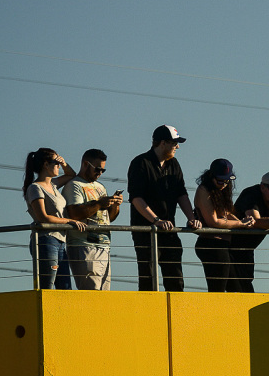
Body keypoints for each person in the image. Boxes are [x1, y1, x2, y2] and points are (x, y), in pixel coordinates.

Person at [128, 125, 202, 292]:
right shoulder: (140, 163)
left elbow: (181, 194)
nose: (177, 147)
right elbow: (136, 198)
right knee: (149, 279)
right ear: (162, 143)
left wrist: (191, 218)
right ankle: (149, 315)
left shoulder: (174, 163)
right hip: (145, 232)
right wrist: (156, 221)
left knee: (176, 279)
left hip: (170, 231)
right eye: (174, 143)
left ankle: (176, 315)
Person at [62, 149, 123, 290]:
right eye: (97, 169)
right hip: (83, 245)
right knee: (91, 292)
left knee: (103, 293)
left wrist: (115, 205)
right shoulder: (74, 185)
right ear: (85, 164)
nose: (100, 173)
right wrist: (99, 204)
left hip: (104, 246)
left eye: (103, 170)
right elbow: (75, 214)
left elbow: (109, 218)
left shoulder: (100, 187)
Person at [192, 159, 256, 292]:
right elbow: (213, 221)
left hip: (222, 245)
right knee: (218, 290)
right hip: (211, 244)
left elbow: (225, 213)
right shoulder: (204, 190)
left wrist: (245, 221)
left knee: (236, 289)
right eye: (220, 181)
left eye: (227, 181)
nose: (224, 184)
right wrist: (240, 224)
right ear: (211, 176)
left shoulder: (219, 191)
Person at [22, 148, 82, 289]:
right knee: (47, 286)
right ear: (45, 164)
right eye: (56, 162)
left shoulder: (53, 184)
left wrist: (64, 163)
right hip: (46, 240)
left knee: (65, 287)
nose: (59, 166)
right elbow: (42, 217)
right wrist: (69, 221)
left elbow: (72, 175)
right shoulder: (35, 188)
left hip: (60, 240)